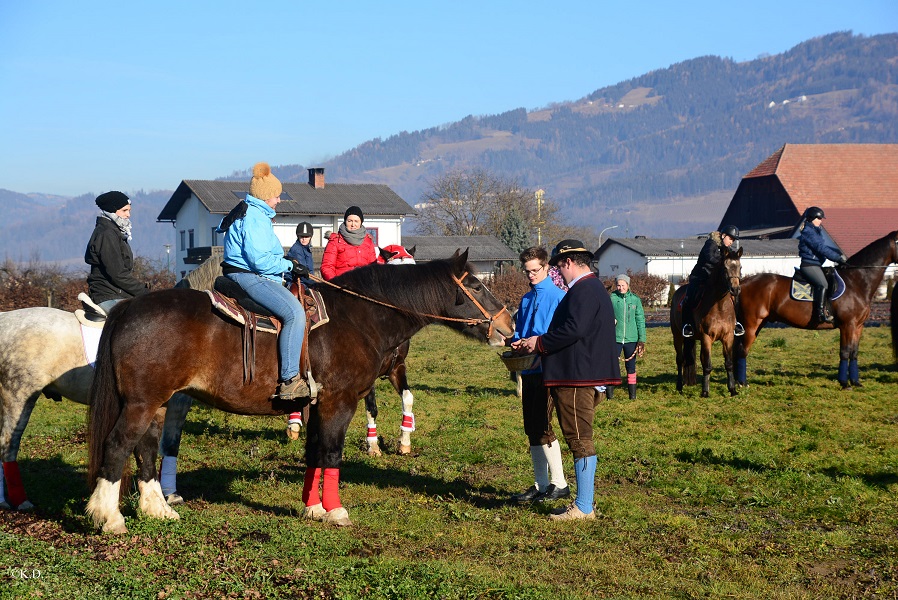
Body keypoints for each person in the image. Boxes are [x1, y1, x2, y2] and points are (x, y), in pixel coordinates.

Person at [513, 240, 621, 521]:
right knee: (578, 438)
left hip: (576, 377)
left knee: (579, 440)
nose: (559, 273)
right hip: (579, 374)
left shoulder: (584, 290)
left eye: (560, 267)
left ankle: (584, 506)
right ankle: (583, 504)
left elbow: (574, 329)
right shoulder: (590, 289)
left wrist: (539, 343)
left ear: (569, 263)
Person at [220, 162, 310, 400]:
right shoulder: (256, 218)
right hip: (249, 276)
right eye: (277, 196)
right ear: (266, 196)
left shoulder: (250, 211)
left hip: (247, 273)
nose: (279, 200)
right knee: (295, 314)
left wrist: (286, 262)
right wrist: (290, 265)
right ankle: (290, 380)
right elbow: (259, 260)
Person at [508, 247, 570, 505]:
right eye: (527, 271)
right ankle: (540, 484)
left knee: (544, 426)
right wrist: (514, 341)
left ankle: (560, 483)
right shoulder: (525, 299)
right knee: (531, 428)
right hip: (529, 369)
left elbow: (562, 334)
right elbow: (521, 332)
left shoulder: (559, 298)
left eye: (535, 270)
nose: (531, 275)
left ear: (546, 268)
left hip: (549, 369)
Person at [84, 191, 149, 314]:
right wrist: (144, 291)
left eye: (129, 210)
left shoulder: (114, 232)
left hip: (117, 293)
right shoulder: (107, 234)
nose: (128, 215)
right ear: (112, 211)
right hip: (108, 295)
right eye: (124, 211)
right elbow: (117, 274)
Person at [681, 225, 745, 338]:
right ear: (723, 236)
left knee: (735, 295)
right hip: (700, 276)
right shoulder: (711, 244)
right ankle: (687, 325)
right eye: (731, 238)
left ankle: (736, 322)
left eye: (733, 240)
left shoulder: (728, 250)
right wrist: (723, 263)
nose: (732, 242)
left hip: (714, 279)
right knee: (690, 296)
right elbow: (710, 257)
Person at [797, 206, 848, 323]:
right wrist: (837, 258)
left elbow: (824, 248)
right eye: (819, 218)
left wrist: (839, 256)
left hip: (816, 265)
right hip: (809, 266)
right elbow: (820, 248)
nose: (821, 220)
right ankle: (820, 314)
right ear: (811, 218)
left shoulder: (815, 231)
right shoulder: (809, 232)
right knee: (823, 284)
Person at [609, 273, 646, 400]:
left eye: (623, 285)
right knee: (612, 366)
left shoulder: (635, 300)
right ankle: (610, 396)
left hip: (632, 339)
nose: (620, 288)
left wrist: (642, 340)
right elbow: (603, 314)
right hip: (615, 338)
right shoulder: (612, 298)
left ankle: (632, 396)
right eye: (618, 285)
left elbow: (640, 320)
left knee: (631, 367)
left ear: (628, 285)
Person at [320, 206, 377, 280]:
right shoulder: (335, 241)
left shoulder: (368, 241)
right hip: (342, 284)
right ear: (345, 221)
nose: (353, 224)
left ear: (361, 222)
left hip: (363, 284)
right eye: (350, 221)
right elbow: (327, 266)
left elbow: (373, 267)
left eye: (356, 221)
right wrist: (335, 283)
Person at [286, 221, 315, 288]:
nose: (304, 239)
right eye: (302, 236)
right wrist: (314, 283)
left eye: (306, 236)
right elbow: (302, 273)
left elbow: (310, 271)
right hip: (297, 283)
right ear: (298, 236)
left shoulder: (307, 249)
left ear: (310, 237)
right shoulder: (296, 250)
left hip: (307, 282)